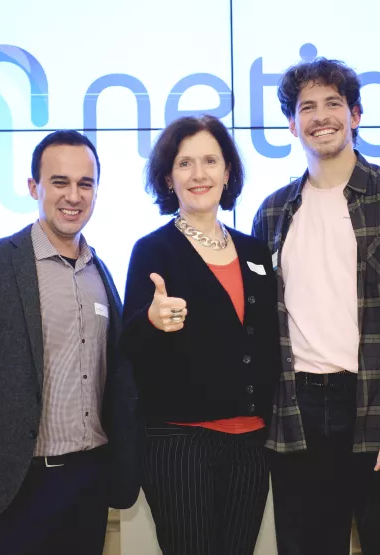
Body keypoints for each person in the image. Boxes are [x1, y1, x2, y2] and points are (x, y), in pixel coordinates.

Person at [252, 57, 380, 555]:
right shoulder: (273, 211)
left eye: (333, 103)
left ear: (355, 115)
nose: (321, 117)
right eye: (307, 107)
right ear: (292, 124)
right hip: (296, 413)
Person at [0, 130, 140, 555]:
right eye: (59, 182)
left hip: (89, 480)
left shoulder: (100, 272)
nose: (73, 196)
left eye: (85, 184)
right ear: (34, 187)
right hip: (15, 482)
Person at [121, 115, 280, 555]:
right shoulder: (153, 250)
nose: (199, 174)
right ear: (167, 178)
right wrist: (151, 321)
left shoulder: (254, 250)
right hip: (180, 443)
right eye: (184, 163)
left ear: (227, 172)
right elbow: (128, 344)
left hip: (251, 441)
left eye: (210, 161)